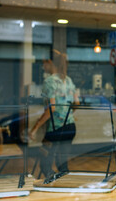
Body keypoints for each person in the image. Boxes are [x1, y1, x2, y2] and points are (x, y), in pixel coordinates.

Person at [29, 50, 79, 178]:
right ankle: (65, 190)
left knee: (45, 164)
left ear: (50, 62)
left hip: (56, 129)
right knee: (62, 164)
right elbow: (77, 103)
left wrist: (35, 128)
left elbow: (52, 109)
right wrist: (67, 113)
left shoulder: (49, 82)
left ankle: (53, 187)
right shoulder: (68, 80)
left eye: (44, 63)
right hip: (70, 127)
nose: (43, 66)